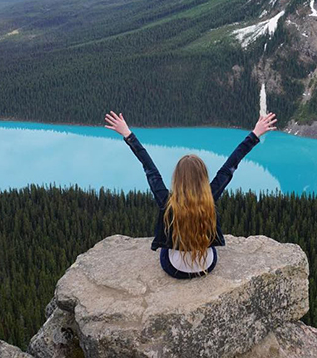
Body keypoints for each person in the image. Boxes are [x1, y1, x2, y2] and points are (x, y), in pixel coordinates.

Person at [104, 111, 277, 279]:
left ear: (177, 178)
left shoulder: (167, 202)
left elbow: (150, 168)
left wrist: (128, 134)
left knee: (166, 248)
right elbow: (230, 167)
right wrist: (255, 134)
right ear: (202, 177)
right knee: (208, 247)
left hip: (175, 268)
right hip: (207, 264)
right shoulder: (209, 197)